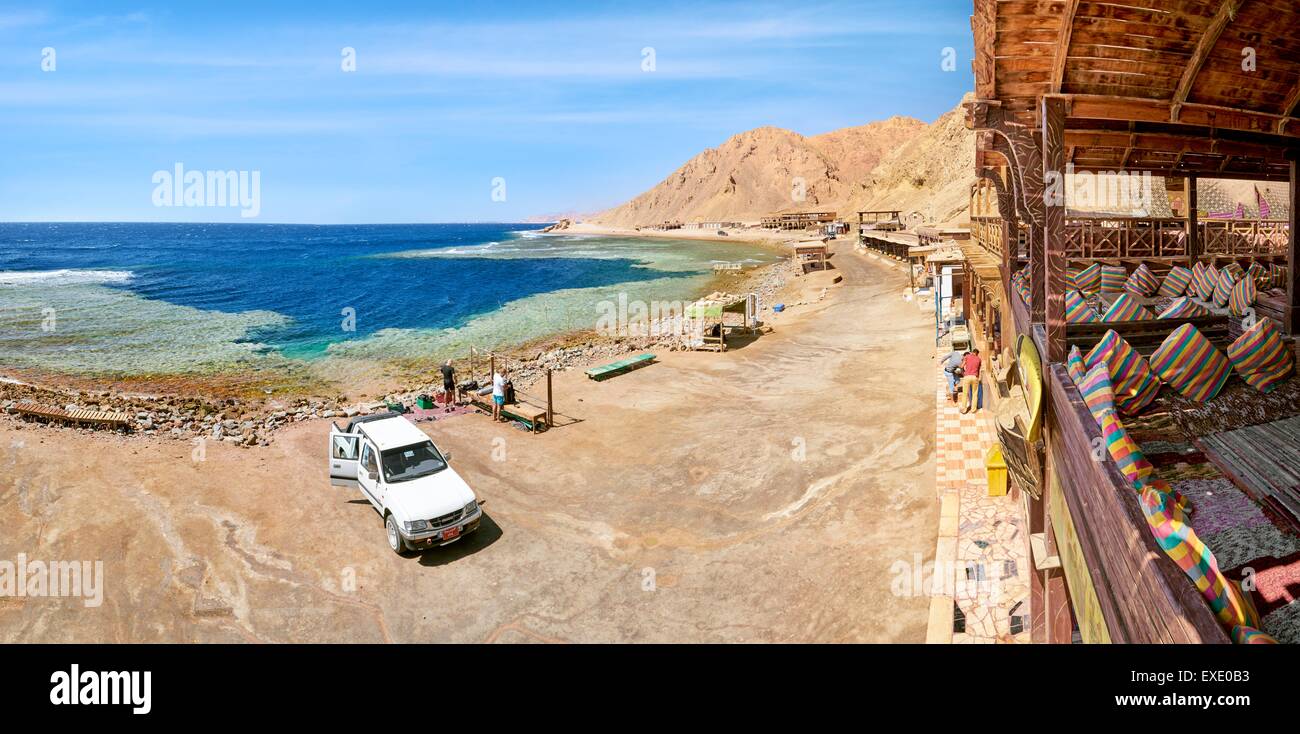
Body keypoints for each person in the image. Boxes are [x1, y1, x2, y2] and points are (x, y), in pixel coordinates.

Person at [960, 349, 983, 414]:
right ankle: (973, 410)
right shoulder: (979, 359)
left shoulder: (967, 356)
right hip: (975, 377)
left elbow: (962, 366)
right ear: (977, 353)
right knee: (975, 394)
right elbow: (978, 371)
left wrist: (963, 372)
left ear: (972, 352)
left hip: (967, 377)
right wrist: (978, 378)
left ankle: (964, 410)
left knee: (964, 393)